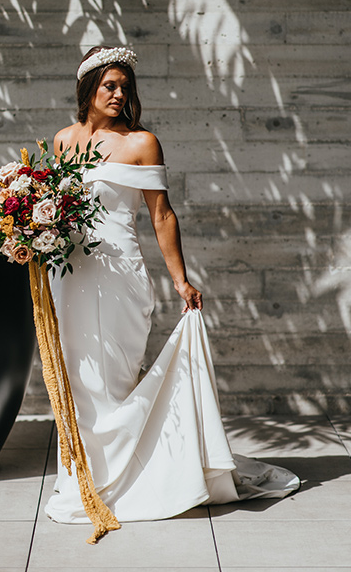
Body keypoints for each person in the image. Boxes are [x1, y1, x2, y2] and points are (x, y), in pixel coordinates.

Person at [47, 45, 300, 525]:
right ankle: (82, 477)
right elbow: (58, 213)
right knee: (78, 380)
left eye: (126, 87)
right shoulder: (63, 140)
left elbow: (161, 215)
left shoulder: (142, 143)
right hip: (71, 277)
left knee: (115, 379)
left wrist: (180, 280)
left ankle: (126, 479)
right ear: (88, 89)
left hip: (120, 276)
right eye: (110, 86)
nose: (120, 94)